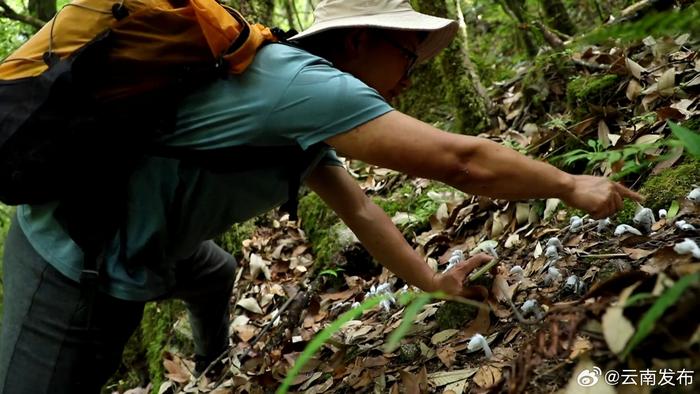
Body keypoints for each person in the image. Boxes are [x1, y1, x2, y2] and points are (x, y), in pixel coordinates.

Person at [0, 0, 643, 392]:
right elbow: (463, 162)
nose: (412, 75)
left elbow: (357, 207)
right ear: (361, 40)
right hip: (72, 262)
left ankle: (212, 359)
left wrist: (432, 281)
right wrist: (571, 184)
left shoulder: (292, 95)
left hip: (155, 243)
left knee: (214, 272)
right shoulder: (306, 89)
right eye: (408, 55)